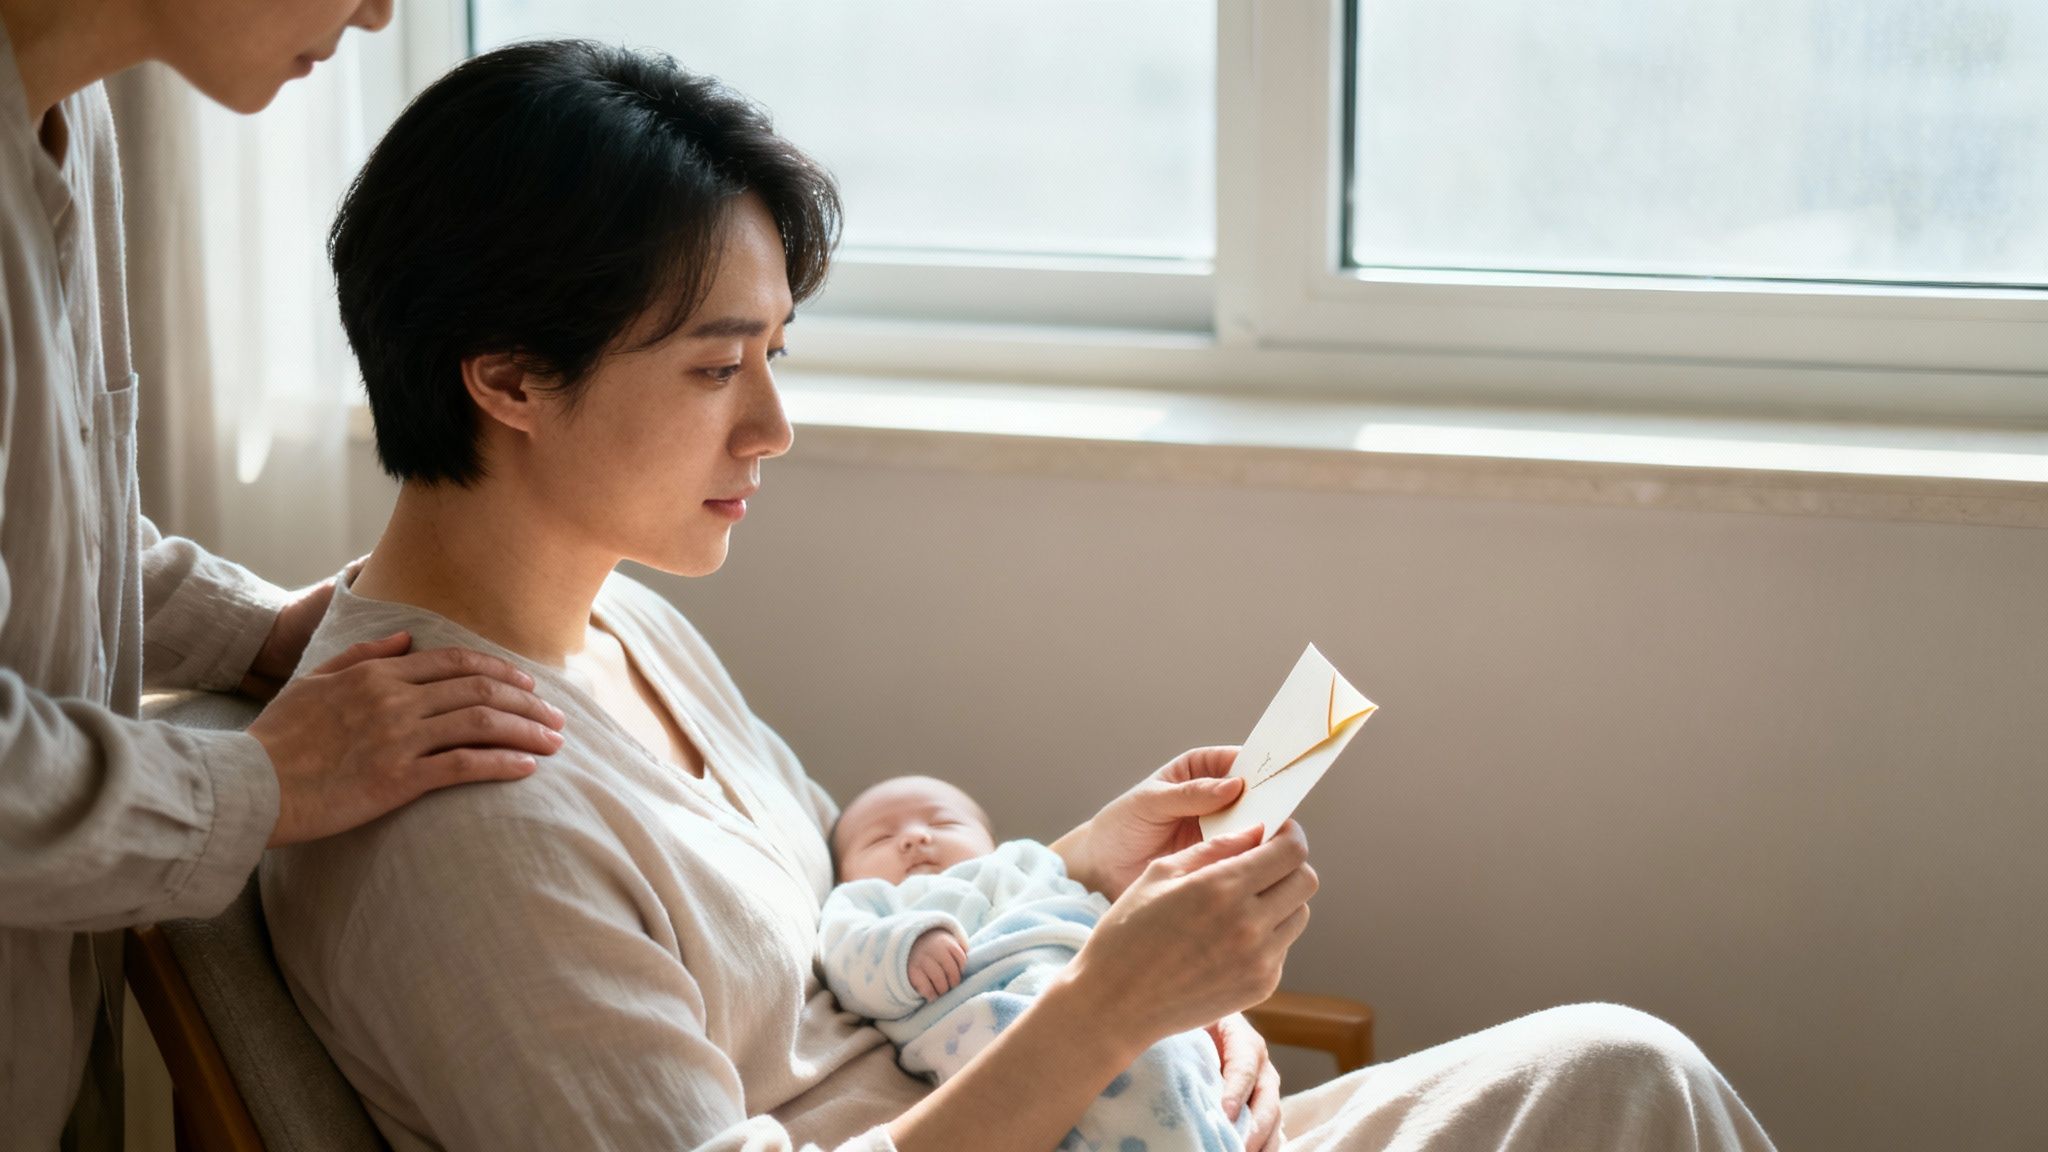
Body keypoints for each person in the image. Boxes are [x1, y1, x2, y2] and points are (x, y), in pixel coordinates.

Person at [262, 39, 1777, 1152]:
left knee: (1620, 1073)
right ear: (511, 381)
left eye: (775, 356)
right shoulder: (460, 825)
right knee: (1624, 1092)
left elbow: (841, 957)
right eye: (719, 369)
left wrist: (1082, 890)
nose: (773, 427)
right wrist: (1104, 1014)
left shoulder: (615, 626)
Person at [0, 2, 571, 1148]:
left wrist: (257, 629)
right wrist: (259, 784)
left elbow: (49, 518)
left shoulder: (71, 121)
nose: (380, 10)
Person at [822, 775, 1256, 1152]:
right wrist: (908, 946)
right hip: (1014, 1040)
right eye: (880, 838)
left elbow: (1095, 911)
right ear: (845, 871)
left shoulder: (1027, 864)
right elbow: (845, 957)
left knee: (1192, 1085)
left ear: (989, 841)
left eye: (943, 823)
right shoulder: (868, 900)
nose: (915, 838)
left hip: (1125, 1006)